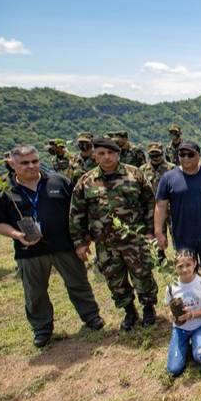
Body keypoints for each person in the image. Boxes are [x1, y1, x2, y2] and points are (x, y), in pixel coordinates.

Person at [0, 144, 104, 347]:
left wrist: (82, 241)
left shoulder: (59, 181)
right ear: (12, 164)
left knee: (78, 282)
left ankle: (91, 316)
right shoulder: (2, 191)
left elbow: (77, 211)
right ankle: (42, 329)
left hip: (64, 245)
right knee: (35, 292)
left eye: (34, 161)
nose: (31, 166)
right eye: (24, 163)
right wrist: (16, 234)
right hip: (29, 250)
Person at [69, 137, 157, 331]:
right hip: (105, 243)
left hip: (135, 239)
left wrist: (152, 231)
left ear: (118, 154)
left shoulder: (135, 175)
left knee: (142, 274)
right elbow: (77, 213)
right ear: (95, 155)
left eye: (110, 153)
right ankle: (129, 311)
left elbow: (150, 204)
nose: (106, 157)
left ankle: (148, 308)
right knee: (115, 279)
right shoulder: (86, 181)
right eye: (101, 153)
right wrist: (79, 242)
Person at [155, 141, 201, 279]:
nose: (185, 158)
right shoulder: (168, 178)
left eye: (190, 154)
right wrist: (159, 232)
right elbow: (160, 206)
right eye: (182, 154)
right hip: (182, 237)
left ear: (198, 156)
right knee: (187, 275)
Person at [164, 250, 201, 377]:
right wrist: (170, 314)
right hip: (180, 328)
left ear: (195, 264)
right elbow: (168, 307)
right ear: (174, 267)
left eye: (188, 265)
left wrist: (192, 314)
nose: (185, 269)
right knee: (173, 370)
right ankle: (185, 345)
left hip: (200, 325)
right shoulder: (171, 286)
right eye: (180, 266)